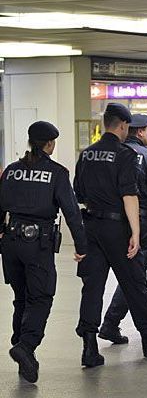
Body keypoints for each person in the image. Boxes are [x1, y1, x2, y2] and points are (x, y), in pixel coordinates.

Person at [74, 103, 147, 367]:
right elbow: (129, 196)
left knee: (92, 287)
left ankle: (89, 346)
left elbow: (79, 193)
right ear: (122, 126)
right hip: (117, 229)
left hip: (92, 227)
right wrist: (135, 231)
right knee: (134, 283)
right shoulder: (125, 155)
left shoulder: (86, 154)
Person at [0, 121, 87, 383]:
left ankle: (23, 351)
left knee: (22, 298)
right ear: (49, 144)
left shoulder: (12, 171)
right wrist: (82, 246)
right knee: (41, 298)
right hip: (37, 245)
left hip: (11, 242)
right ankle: (25, 346)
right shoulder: (57, 173)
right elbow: (71, 212)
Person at [99, 114, 147, 344]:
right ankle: (115, 325)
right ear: (140, 132)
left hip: (113, 223)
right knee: (135, 277)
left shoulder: (114, 154)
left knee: (130, 276)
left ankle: (111, 325)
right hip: (140, 224)